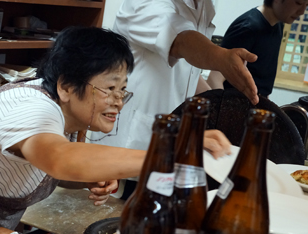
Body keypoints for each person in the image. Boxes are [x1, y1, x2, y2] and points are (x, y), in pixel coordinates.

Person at [0, 27, 232, 234]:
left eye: (123, 89)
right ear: (65, 86)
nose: (119, 100)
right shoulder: (33, 107)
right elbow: (60, 159)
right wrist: (174, 150)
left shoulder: (64, 114)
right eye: (109, 88)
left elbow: (51, 166)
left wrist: (89, 176)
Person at [99, 0, 260, 153]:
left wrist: (221, 107)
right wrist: (221, 58)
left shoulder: (203, 6)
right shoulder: (145, 3)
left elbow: (186, 73)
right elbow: (182, 42)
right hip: (128, 141)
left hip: (170, 141)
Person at [207, 0, 308, 96]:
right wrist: (223, 111)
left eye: (307, 5)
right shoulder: (248, 27)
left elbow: (262, 82)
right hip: (235, 107)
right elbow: (214, 78)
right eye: (298, 3)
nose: (302, 11)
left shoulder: (278, 25)